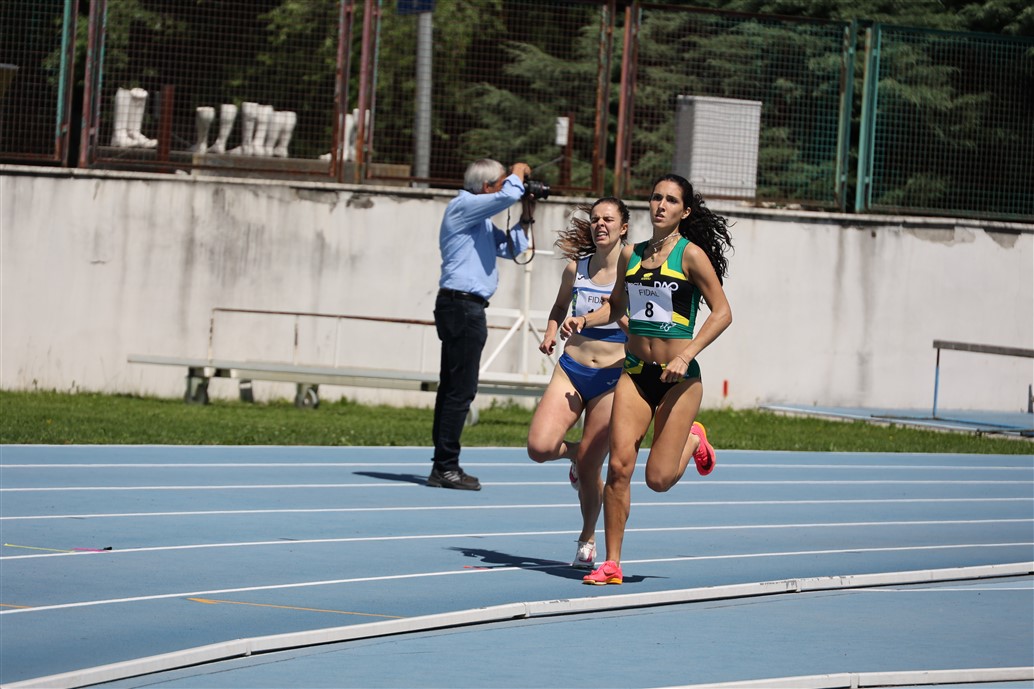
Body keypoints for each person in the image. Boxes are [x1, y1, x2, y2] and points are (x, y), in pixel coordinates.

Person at [561, 173, 733, 585]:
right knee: (619, 467)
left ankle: (694, 439)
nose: (661, 205)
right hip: (636, 372)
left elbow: (723, 312)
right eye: (656, 197)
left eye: (671, 200)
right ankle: (612, 563)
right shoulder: (631, 254)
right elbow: (616, 305)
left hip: (679, 379)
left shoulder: (691, 256)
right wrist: (586, 319)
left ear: (684, 212)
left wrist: (687, 354)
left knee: (657, 479)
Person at [527, 197, 630, 569]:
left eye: (608, 219)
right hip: (572, 368)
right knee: (539, 448)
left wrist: (618, 320)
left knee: (591, 466)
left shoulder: (635, 270)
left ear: (623, 227)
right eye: (595, 219)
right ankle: (575, 452)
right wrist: (551, 332)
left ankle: (587, 537)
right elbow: (560, 306)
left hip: (612, 377)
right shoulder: (577, 268)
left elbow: (638, 320)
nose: (600, 224)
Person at [430, 158, 536, 491]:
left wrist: (527, 215)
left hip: (463, 307)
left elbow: (514, 248)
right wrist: (519, 172)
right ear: (487, 186)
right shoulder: (462, 206)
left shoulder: (480, 221)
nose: (508, 186)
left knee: (453, 388)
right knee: (460, 390)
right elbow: (508, 195)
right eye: (501, 181)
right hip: (462, 307)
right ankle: (445, 466)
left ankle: (443, 464)